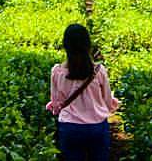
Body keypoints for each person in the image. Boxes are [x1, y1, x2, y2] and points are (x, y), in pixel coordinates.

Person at [46, 23, 119, 161]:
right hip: (97, 127)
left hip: (69, 128)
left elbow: (56, 106)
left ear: (66, 45)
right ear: (88, 45)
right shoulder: (99, 71)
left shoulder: (57, 72)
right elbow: (108, 102)